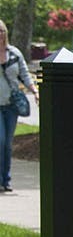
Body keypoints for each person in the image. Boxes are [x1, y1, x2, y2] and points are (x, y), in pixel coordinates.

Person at [0, 19, 39, 193]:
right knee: (0, 141)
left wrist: (35, 91)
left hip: (11, 106)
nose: (0, 35)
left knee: (7, 144)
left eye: (1, 31)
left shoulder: (14, 53)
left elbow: (24, 74)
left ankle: (5, 180)